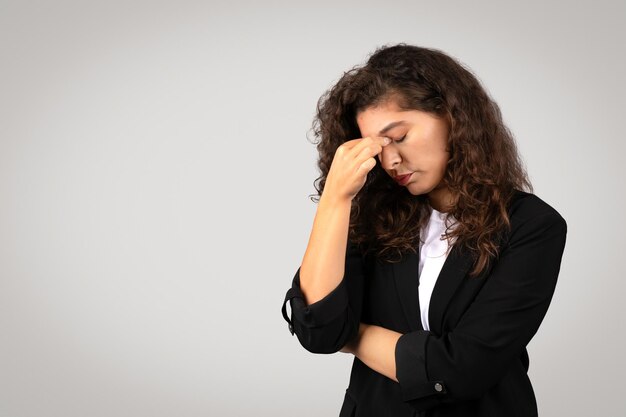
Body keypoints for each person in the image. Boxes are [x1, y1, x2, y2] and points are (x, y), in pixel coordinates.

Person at [280, 43, 567, 417]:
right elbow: (318, 332)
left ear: (452, 117)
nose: (390, 160)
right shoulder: (370, 216)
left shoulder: (531, 225)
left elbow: (462, 370)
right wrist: (336, 199)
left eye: (398, 137)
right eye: (377, 149)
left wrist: (354, 336)